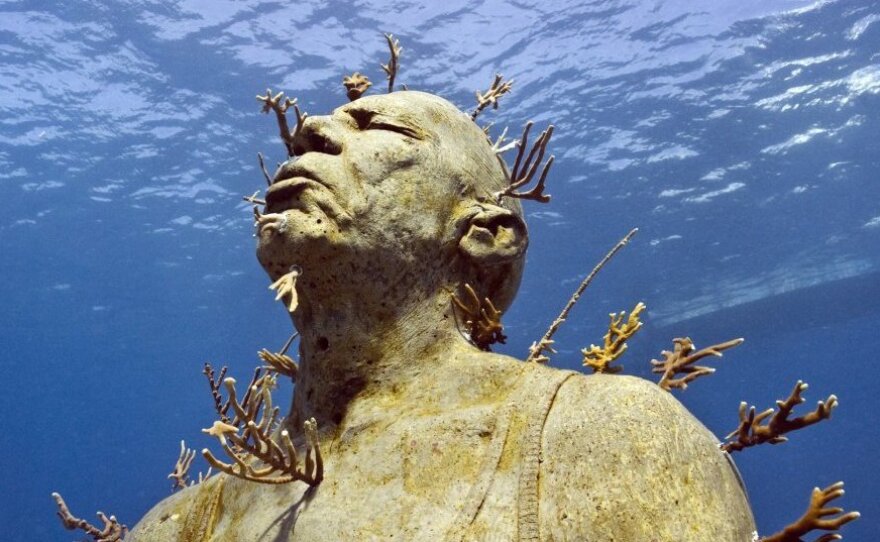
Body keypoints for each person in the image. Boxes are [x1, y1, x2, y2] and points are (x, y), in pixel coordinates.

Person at [130, 91, 756, 541]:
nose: (310, 129)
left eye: (382, 128)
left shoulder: (615, 440)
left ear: (488, 233)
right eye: (321, 125)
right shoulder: (176, 526)